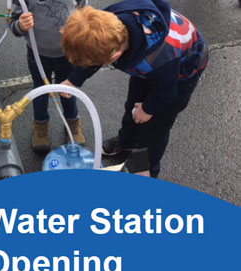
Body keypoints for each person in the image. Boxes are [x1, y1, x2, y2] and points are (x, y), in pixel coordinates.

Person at [60, 1, 208, 177]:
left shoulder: (161, 59)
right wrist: (73, 81)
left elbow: (166, 92)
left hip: (181, 73)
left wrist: (147, 109)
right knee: (132, 105)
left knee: (155, 128)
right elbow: (96, 53)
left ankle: (145, 169)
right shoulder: (107, 23)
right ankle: (127, 140)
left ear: (115, 56)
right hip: (145, 62)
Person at [10, 0, 86, 152]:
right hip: (38, 54)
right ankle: (41, 127)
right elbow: (13, 24)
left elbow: (82, 13)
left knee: (68, 91)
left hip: (68, 53)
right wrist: (20, 25)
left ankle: (72, 124)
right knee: (40, 92)